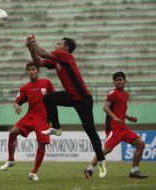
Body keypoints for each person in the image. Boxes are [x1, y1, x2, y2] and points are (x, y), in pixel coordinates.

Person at [26, 34, 106, 176]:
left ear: (66, 48)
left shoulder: (65, 56)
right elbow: (39, 62)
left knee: (90, 130)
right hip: (71, 96)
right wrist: (31, 49)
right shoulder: (58, 60)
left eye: (59, 43)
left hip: (83, 99)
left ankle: (100, 160)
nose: (56, 45)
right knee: (48, 98)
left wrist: (33, 42)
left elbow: (43, 53)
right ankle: (56, 127)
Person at [84, 71, 148, 179]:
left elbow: (120, 111)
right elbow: (105, 107)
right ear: (113, 83)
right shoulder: (113, 93)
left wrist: (128, 118)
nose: (119, 82)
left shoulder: (126, 95)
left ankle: (134, 171)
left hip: (123, 127)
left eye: (121, 80)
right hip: (114, 127)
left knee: (141, 144)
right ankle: (89, 168)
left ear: (125, 81)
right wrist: (114, 117)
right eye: (116, 80)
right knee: (107, 149)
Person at [0, 62, 55, 181]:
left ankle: (33, 172)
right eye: (29, 70)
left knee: (42, 144)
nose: (31, 71)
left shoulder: (46, 83)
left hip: (43, 118)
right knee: (13, 132)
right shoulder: (25, 88)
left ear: (37, 71)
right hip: (30, 116)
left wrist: (53, 118)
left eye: (33, 69)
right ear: (27, 72)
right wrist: (17, 106)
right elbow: (17, 101)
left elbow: (54, 98)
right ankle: (11, 159)